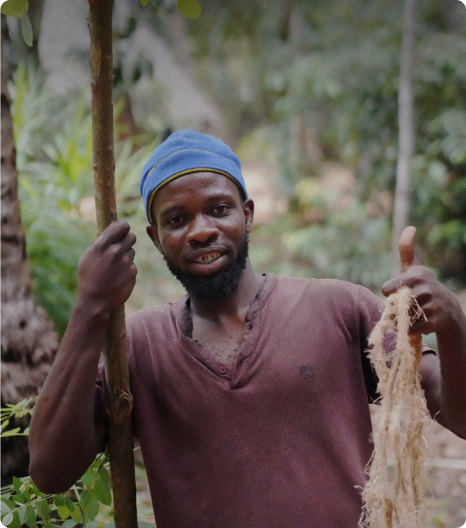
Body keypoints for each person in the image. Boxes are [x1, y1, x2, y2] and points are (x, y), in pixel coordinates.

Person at [29, 130, 466, 527]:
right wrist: (91, 307)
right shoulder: (139, 346)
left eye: (219, 209)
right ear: (156, 238)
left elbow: (455, 412)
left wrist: (453, 328)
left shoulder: (339, 307)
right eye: (177, 220)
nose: (202, 231)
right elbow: (50, 471)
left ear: (248, 214)